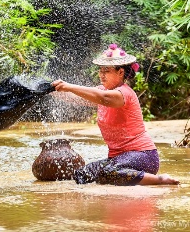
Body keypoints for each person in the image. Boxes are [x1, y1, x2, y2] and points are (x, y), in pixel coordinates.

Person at [51, 44, 179, 186]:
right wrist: (53, 90)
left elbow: (103, 97)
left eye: (106, 70)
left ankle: (161, 180)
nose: (101, 74)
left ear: (120, 72)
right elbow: (76, 97)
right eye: (100, 70)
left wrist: (68, 85)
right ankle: (134, 177)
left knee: (108, 172)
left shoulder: (123, 93)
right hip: (119, 159)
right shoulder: (101, 92)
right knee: (82, 175)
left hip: (144, 156)